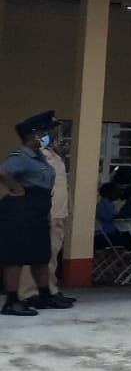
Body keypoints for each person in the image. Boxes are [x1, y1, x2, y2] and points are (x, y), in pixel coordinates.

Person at [0, 111, 72, 315]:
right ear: (34, 135)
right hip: (20, 209)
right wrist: (16, 188)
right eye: (47, 132)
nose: (50, 135)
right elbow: (3, 171)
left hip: (38, 209)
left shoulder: (40, 157)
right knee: (16, 256)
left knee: (40, 255)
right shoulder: (22, 156)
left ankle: (45, 295)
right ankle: (12, 301)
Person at [38, 117, 69, 296]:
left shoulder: (54, 154)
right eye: (53, 131)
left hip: (58, 212)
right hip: (47, 212)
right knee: (42, 255)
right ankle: (32, 293)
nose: (57, 134)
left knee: (53, 254)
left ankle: (50, 289)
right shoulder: (40, 154)